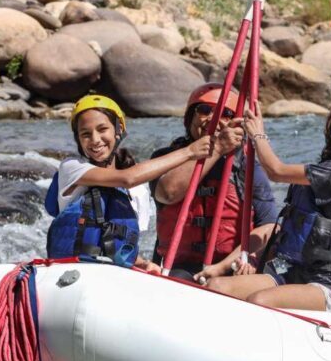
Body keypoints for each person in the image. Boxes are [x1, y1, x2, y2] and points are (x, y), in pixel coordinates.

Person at [205, 91, 331, 313]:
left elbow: (275, 171)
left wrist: (258, 134)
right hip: (292, 272)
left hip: (327, 286)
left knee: (260, 302)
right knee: (217, 287)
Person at [46, 94, 212, 273]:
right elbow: (128, 178)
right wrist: (189, 152)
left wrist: (142, 263)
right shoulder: (72, 168)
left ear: (118, 130)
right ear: (78, 139)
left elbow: (125, 243)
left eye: (102, 129)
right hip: (70, 269)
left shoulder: (138, 191)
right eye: (86, 134)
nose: (95, 140)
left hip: (113, 273)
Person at [150, 83, 278, 280]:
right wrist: (217, 148)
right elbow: (167, 193)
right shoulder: (166, 157)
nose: (214, 118)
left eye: (226, 113)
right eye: (205, 110)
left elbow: (270, 225)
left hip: (231, 264)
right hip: (181, 267)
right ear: (190, 117)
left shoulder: (247, 167)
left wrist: (247, 258)